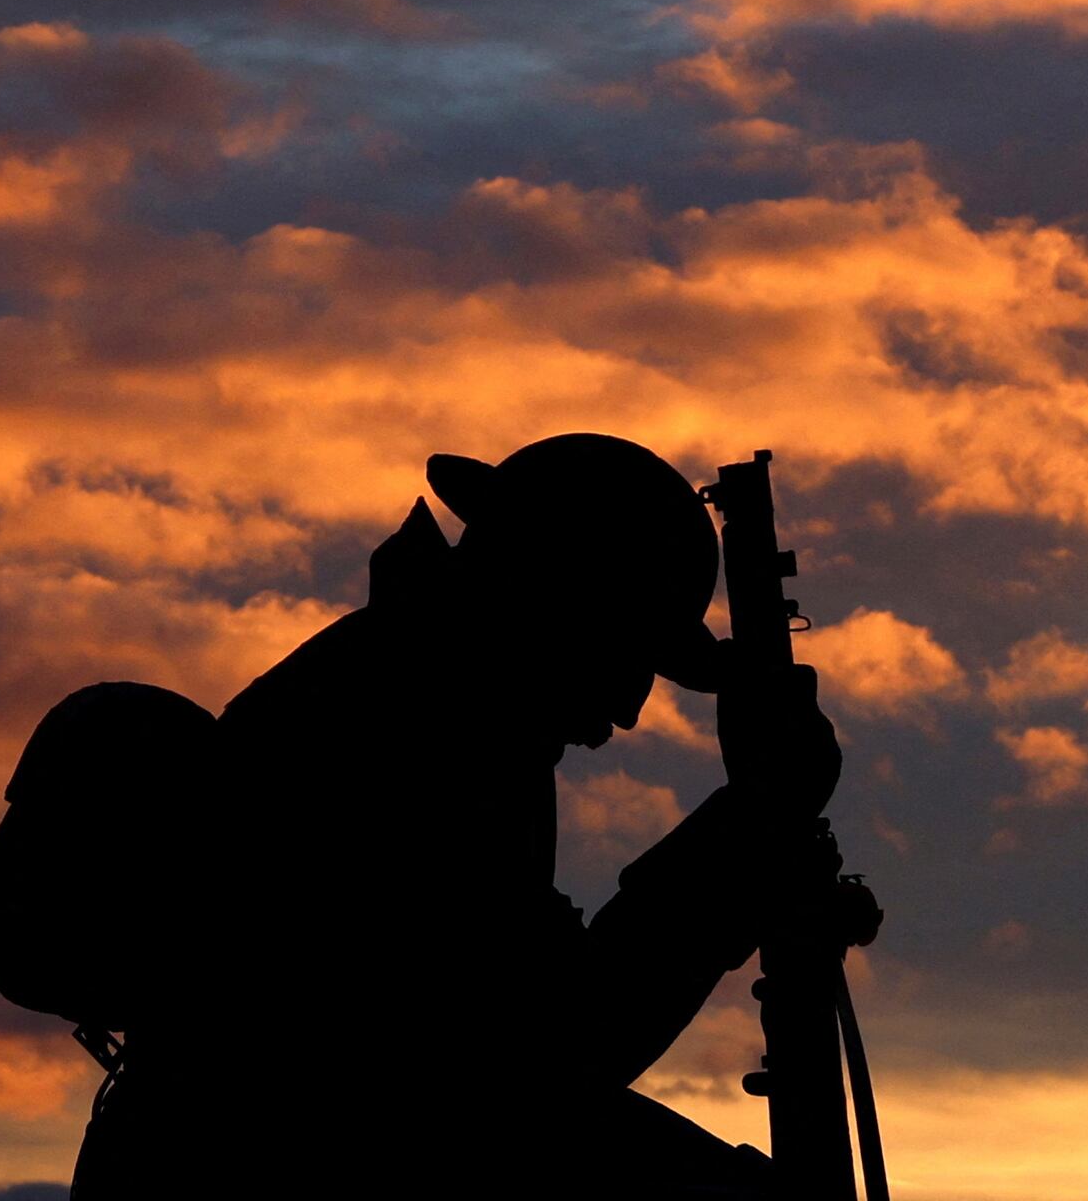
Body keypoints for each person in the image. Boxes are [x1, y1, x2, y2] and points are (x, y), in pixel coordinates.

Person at [72, 433, 843, 1197]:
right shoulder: (412, 718)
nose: (632, 709)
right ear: (560, 600)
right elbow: (545, 1050)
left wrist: (750, 841)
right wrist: (753, 827)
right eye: (628, 652)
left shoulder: (430, 692)